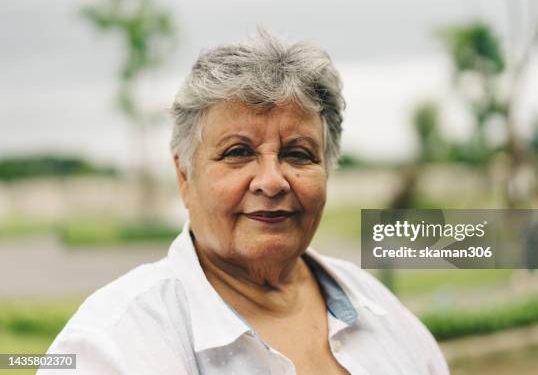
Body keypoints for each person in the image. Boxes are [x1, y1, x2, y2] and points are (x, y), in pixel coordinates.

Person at [40, 30, 449, 375]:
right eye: (238, 152)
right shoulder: (109, 348)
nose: (272, 182)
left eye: (299, 154)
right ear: (185, 175)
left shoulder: (382, 314)